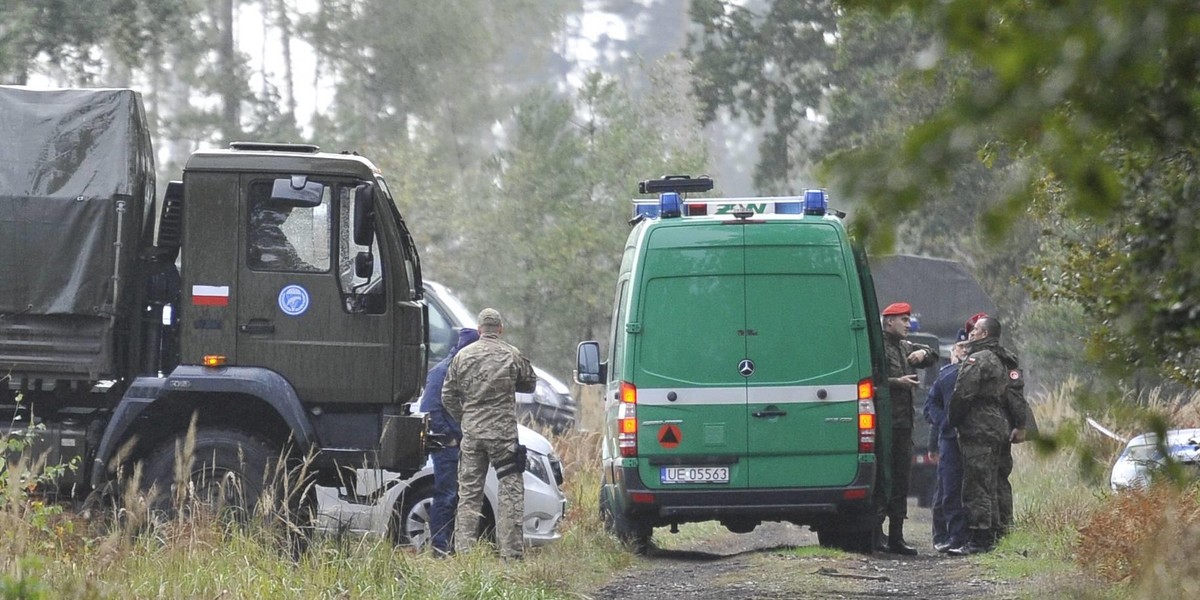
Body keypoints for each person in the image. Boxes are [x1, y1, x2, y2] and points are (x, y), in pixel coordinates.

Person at [442, 308, 537, 560]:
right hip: (503, 437)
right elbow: (530, 383)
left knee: (469, 496)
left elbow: (447, 395)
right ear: (500, 329)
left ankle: (465, 556)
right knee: (510, 492)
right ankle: (511, 556)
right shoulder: (511, 354)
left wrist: (466, 419)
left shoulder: (462, 356)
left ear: (478, 329)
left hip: (472, 436)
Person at [947, 316, 1014, 555]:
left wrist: (953, 420)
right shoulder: (1002, 359)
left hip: (978, 427)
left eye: (975, 330)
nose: (971, 333)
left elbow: (963, 393)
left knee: (977, 482)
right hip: (998, 425)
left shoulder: (978, 359)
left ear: (984, 334)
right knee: (995, 481)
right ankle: (999, 532)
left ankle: (979, 538)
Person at [876, 302, 939, 555]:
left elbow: (932, 354)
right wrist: (896, 382)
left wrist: (922, 355)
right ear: (889, 321)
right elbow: (870, 377)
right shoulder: (876, 346)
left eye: (908, 319)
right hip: (884, 424)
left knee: (902, 479)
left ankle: (896, 537)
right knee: (883, 480)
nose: (907, 324)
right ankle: (875, 533)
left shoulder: (905, 346)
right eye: (903, 319)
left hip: (903, 424)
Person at [417, 326, 480, 556]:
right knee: (446, 496)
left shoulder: (462, 371)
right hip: (448, 448)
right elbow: (430, 409)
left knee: (456, 498)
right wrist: (450, 438)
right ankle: (439, 548)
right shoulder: (442, 372)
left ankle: (450, 547)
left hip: (461, 446)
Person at [923, 334, 970, 553]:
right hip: (951, 440)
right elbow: (931, 408)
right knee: (949, 489)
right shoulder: (946, 377)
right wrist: (946, 424)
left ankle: (957, 536)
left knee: (956, 489)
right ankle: (951, 536)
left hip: (966, 439)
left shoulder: (960, 375)